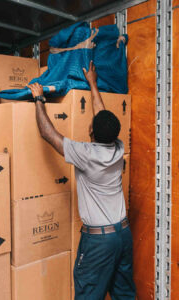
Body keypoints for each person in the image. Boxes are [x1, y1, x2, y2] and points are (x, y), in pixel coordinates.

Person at [28, 61, 136, 300]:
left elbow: (48, 134)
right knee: (124, 294)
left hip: (99, 243)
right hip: (123, 235)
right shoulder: (118, 148)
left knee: (88, 294)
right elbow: (102, 115)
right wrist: (92, 83)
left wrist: (38, 99)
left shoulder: (86, 155)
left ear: (91, 133)